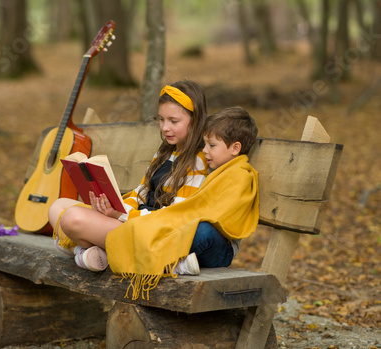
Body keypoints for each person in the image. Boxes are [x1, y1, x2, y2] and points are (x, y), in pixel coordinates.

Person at [48, 80, 209, 272]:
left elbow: (174, 218)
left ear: (196, 120)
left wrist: (121, 215)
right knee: (58, 206)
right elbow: (140, 193)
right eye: (162, 119)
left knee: (71, 219)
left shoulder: (197, 162)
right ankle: (91, 251)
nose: (165, 127)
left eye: (173, 121)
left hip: (151, 232)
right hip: (131, 221)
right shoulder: (165, 152)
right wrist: (113, 207)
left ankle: (83, 249)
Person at [105, 106, 260, 299]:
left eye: (212, 145)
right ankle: (175, 261)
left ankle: (171, 261)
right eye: (204, 144)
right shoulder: (215, 170)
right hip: (193, 237)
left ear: (235, 148)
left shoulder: (239, 176)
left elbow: (219, 215)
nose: (205, 150)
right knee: (174, 229)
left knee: (203, 231)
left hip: (219, 249)